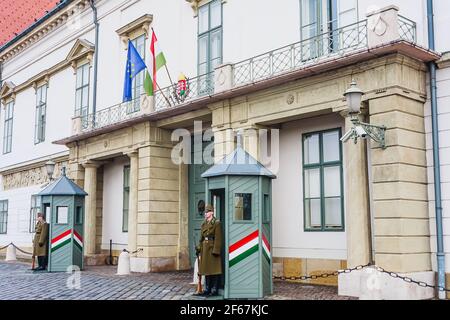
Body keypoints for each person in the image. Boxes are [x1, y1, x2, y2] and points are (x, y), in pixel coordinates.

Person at [196, 204, 222, 296]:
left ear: (211, 212)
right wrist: (199, 247)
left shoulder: (216, 223)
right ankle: (207, 288)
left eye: (207, 212)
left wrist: (216, 250)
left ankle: (214, 289)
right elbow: (201, 238)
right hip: (205, 249)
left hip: (212, 248)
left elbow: (218, 238)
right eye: (205, 212)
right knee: (206, 269)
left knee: (214, 270)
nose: (205, 214)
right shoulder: (204, 223)